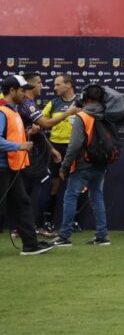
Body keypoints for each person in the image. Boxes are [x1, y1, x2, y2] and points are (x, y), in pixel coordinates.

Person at [0, 75, 55, 255]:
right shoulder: (2, 111)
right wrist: (19, 146)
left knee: (22, 203)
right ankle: (30, 244)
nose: (25, 93)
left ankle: (30, 245)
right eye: (22, 90)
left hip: (11, 167)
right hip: (2, 167)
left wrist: (27, 134)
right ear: (12, 91)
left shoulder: (13, 111)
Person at [53, 84, 113, 247]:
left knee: (71, 196)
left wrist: (64, 166)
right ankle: (102, 236)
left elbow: (74, 145)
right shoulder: (106, 115)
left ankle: (64, 236)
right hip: (100, 163)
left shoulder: (82, 116)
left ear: (84, 98)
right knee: (97, 197)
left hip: (82, 164)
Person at [16, 72, 61, 232]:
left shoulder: (27, 103)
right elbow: (46, 124)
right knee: (45, 183)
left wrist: (51, 148)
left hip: (31, 153)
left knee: (25, 189)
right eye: (40, 82)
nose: (43, 85)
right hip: (26, 154)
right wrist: (69, 113)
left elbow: (37, 129)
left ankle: (23, 227)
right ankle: (36, 225)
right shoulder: (27, 104)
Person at [39, 74, 78, 234]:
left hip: (75, 147)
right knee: (54, 184)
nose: (54, 88)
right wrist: (51, 148)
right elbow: (40, 124)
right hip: (56, 147)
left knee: (76, 185)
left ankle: (73, 221)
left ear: (68, 85)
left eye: (58, 84)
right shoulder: (53, 103)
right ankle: (48, 221)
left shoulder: (81, 102)